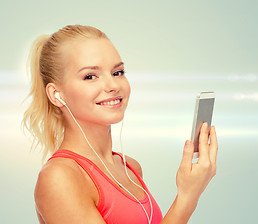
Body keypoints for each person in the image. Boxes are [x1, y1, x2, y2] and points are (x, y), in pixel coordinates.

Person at [23, 24, 218, 224]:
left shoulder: (131, 168)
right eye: (90, 76)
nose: (113, 86)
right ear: (57, 95)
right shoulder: (59, 177)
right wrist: (187, 197)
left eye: (118, 72)